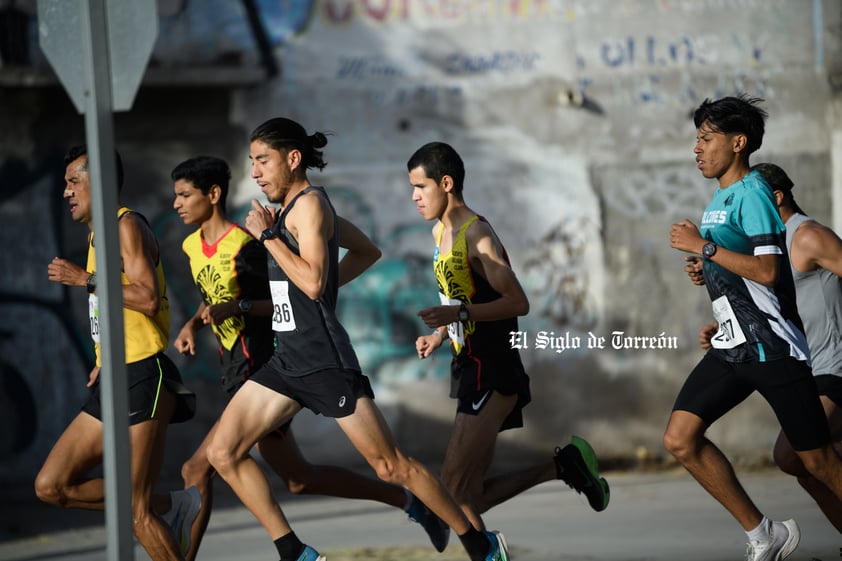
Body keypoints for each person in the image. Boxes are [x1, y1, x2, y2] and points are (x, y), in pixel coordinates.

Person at [205, 117, 510, 561]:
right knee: (221, 451)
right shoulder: (293, 210)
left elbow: (311, 284)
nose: (255, 172)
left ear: (293, 159)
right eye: (252, 162)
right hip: (287, 360)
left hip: (325, 360)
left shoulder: (309, 207)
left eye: (263, 161)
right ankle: (295, 553)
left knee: (391, 466)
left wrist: (269, 239)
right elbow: (368, 251)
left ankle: (480, 544)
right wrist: (324, 287)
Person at [159, 155, 449, 561]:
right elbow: (215, 299)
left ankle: (291, 551)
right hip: (235, 369)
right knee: (298, 480)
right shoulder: (193, 247)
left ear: (213, 194)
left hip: (264, 368)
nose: (177, 204)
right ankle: (406, 501)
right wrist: (193, 323)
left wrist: (239, 306)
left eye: (184, 195)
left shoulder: (248, 243)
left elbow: (279, 297)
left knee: (199, 467)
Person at [665, 94, 842, 561]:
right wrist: (711, 273)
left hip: (772, 347)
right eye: (696, 139)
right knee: (680, 439)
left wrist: (704, 249)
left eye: (706, 139)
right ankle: (764, 533)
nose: (697, 149)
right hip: (733, 345)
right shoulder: (721, 198)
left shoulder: (754, 192)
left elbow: (768, 271)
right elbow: (744, 270)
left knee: (816, 461)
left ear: (739, 143)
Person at [406, 141, 609, 533]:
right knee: (470, 496)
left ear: (446, 183)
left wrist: (457, 315)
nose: (414, 197)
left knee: (449, 490)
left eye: (420, 187)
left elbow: (517, 302)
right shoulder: (439, 233)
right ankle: (565, 466)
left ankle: (489, 553)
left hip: (491, 369)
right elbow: (459, 296)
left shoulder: (476, 235)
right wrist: (441, 333)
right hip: (468, 366)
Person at [34, 145, 196, 561]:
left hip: (142, 375)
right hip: (114, 375)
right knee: (52, 486)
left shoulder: (126, 226)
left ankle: (157, 507)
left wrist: (84, 278)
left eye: (74, 182)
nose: (65, 192)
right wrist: (103, 357)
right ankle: (171, 505)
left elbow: (145, 299)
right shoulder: (98, 234)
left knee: (135, 512)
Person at [695, 162, 842, 533]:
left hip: (834, 365)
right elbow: (771, 303)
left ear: (775, 196)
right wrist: (728, 327)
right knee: (800, 463)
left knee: (798, 456)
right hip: (806, 364)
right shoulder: (764, 245)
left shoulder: (807, 235)